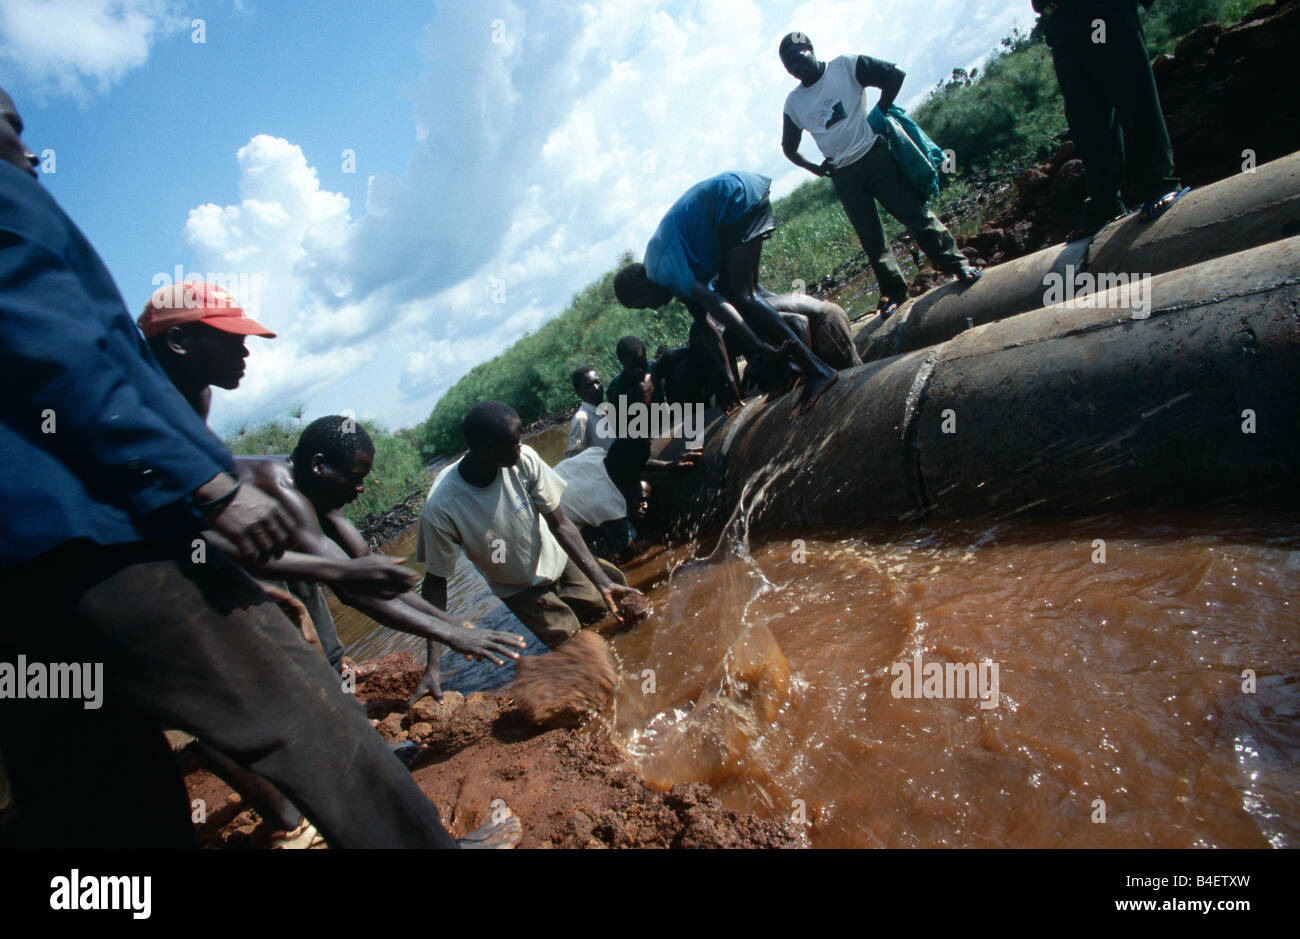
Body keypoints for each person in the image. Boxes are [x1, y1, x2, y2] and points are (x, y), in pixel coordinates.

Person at [0, 87, 494, 848]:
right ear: (175, 344)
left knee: (95, 803)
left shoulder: (200, 426)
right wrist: (205, 483)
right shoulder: (217, 460)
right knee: (308, 713)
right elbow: (61, 349)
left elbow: (358, 564)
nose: (27, 155)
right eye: (9, 131)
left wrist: (430, 618)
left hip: (25, 580)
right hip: (91, 544)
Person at [415, 401, 647, 701]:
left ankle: (635, 670)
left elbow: (561, 524)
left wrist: (601, 581)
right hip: (519, 586)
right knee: (571, 641)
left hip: (558, 558)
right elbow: (435, 583)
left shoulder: (523, 460)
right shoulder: (441, 507)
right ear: (488, 448)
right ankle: (607, 696)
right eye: (514, 441)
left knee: (607, 610)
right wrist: (433, 665)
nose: (521, 445)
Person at [779, 32, 981, 316]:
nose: (796, 69)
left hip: (875, 158)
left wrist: (881, 109)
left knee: (914, 214)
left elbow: (893, 74)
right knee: (872, 240)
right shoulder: (794, 103)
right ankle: (895, 292)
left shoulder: (845, 66)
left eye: (799, 59)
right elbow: (789, 148)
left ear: (810, 49)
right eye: (790, 67)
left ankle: (957, 265)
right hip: (844, 175)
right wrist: (816, 168)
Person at [614, 171, 840, 411]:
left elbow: (715, 302)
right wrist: (730, 380)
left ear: (642, 285)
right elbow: (706, 325)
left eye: (645, 303)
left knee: (742, 296)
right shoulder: (671, 277)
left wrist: (757, 344)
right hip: (738, 199)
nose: (655, 307)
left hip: (735, 199)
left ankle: (818, 369)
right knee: (741, 295)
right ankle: (794, 370)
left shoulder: (661, 268)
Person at [1033, 0, 1187, 241]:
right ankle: (1105, 203)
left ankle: (1159, 183)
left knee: (1131, 91)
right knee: (1085, 118)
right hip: (1061, 19)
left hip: (1104, 8)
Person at [564, 365, 613, 459]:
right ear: (578, 392)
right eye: (589, 386)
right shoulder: (582, 418)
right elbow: (573, 458)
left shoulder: (608, 408)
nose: (596, 388)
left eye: (597, 382)